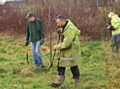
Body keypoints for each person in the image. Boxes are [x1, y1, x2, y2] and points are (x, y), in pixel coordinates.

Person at [51, 15, 81, 88]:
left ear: (63, 21)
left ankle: (77, 82)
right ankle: (59, 82)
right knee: (60, 66)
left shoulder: (70, 30)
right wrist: (61, 31)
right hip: (66, 51)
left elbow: (66, 44)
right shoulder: (66, 26)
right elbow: (65, 32)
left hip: (72, 51)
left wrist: (56, 47)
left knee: (73, 67)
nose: (57, 24)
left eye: (58, 23)